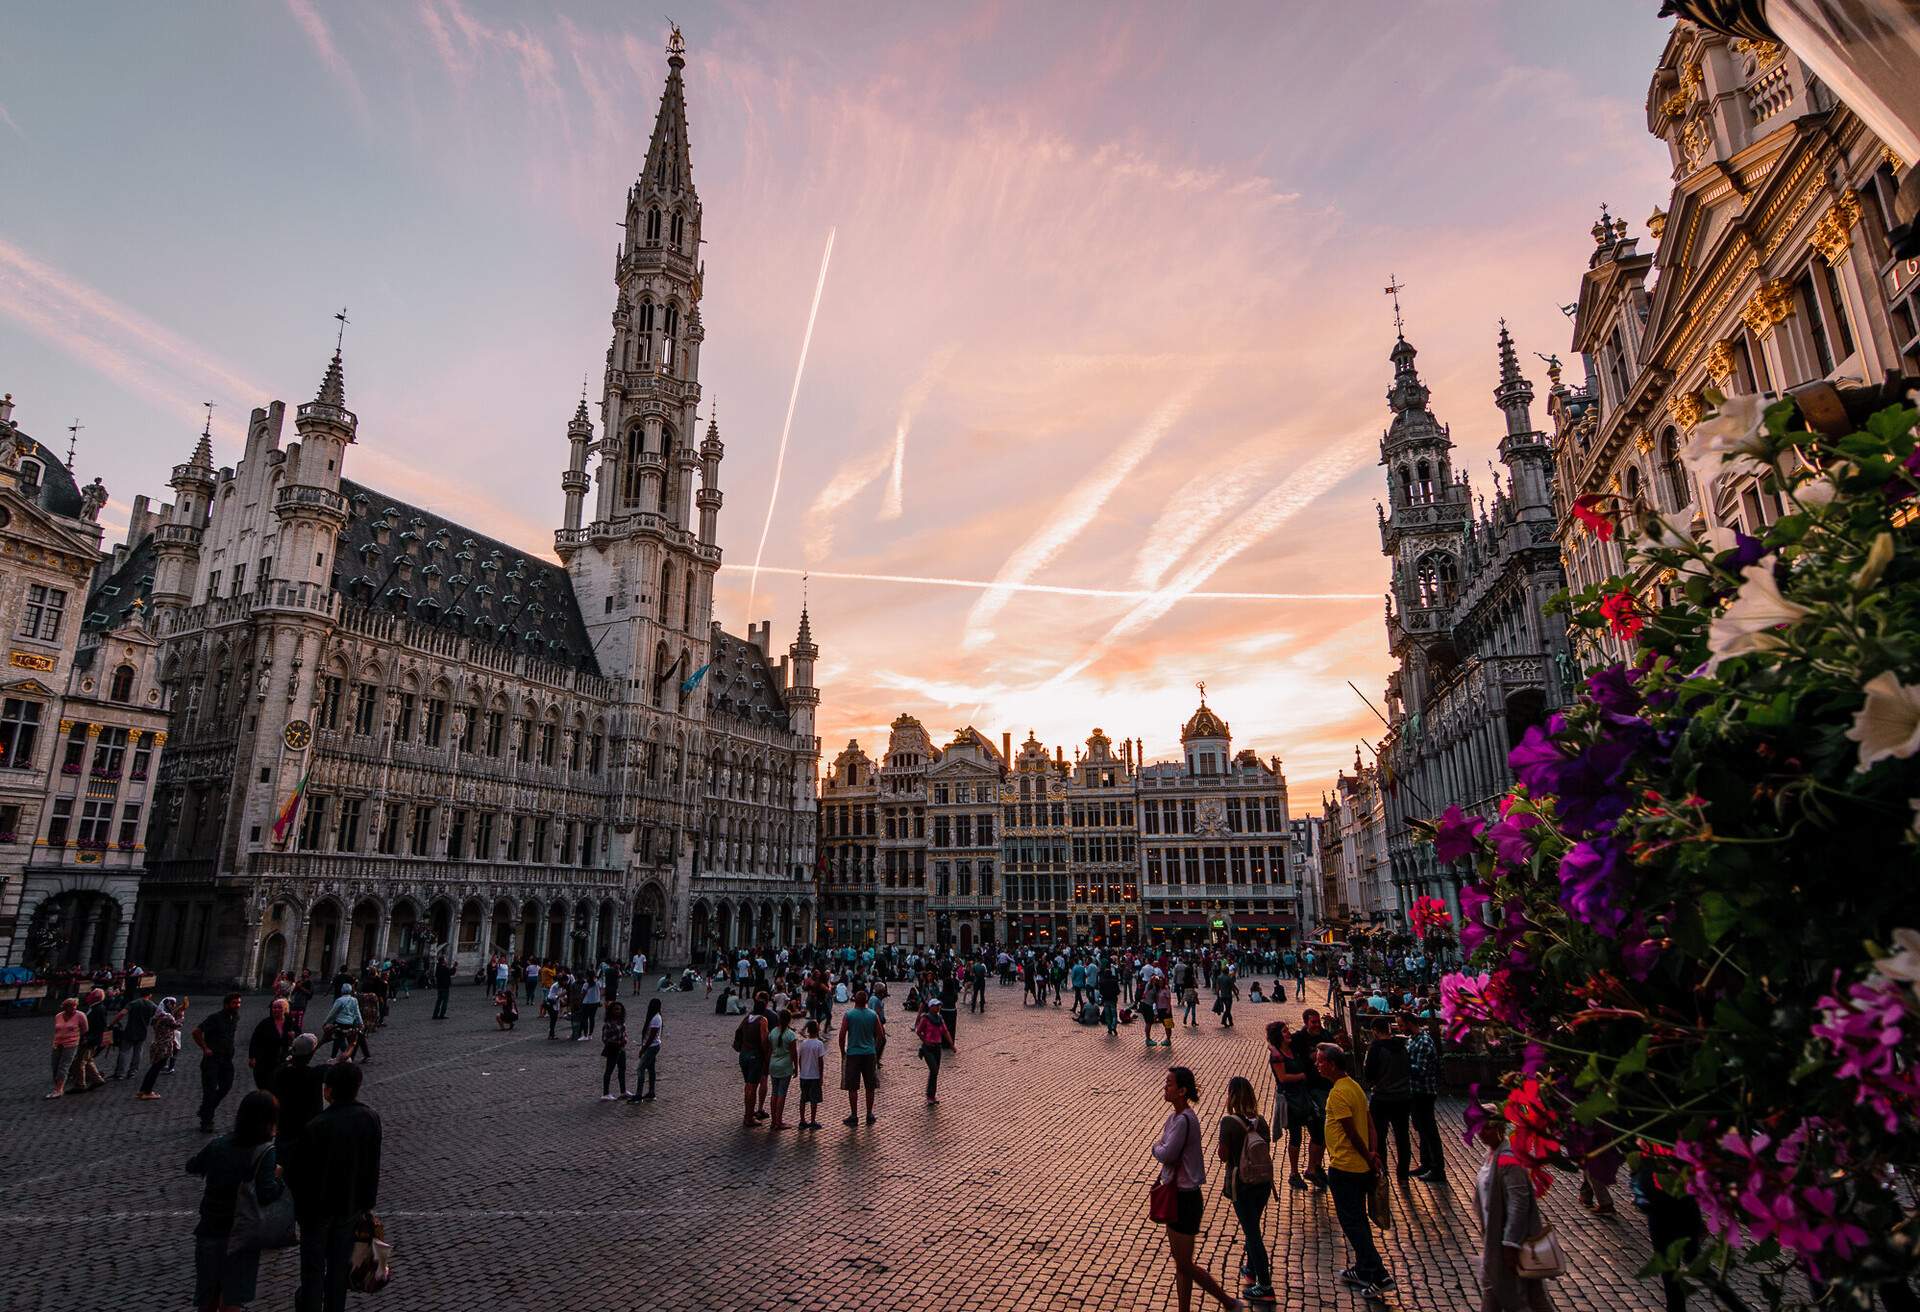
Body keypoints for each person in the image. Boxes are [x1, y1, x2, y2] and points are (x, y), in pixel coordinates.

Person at [1152, 1066, 1242, 1312]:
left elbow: (1166, 1152)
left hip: (1185, 1198)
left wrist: (1155, 1147)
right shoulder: (1175, 1118)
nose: (1165, 1087)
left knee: (1185, 1263)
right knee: (1181, 1264)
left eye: (1169, 1084)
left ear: (1182, 1091)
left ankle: (1227, 1301)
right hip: (1178, 1195)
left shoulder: (1183, 1120)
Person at [186, 1089, 284, 1312]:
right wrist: (278, 1177)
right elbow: (267, 1193)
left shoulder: (219, 1144)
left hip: (210, 1227)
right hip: (242, 1232)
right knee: (232, 1298)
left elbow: (193, 1165)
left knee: (208, 1295)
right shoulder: (264, 1152)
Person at [296, 1061, 382, 1312]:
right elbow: (372, 1165)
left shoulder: (317, 1126)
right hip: (350, 1206)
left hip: (317, 1210)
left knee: (312, 1271)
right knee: (337, 1269)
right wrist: (367, 1204)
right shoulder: (369, 1118)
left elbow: (302, 1174)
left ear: (328, 1091)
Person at [1317, 1043, 1392, 1295]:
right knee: (1358, 1219)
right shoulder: (1355, 1087)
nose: (1317, 1065)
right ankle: (1362, 1269)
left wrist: (1368, 1155)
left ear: (1332, 1064)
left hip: (1346, 1166)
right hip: (1360, 1166)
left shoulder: (1338, 1094)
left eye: (1320, 1061)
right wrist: (1374, 1152)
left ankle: (1378, 1274)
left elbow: (1351, 1133)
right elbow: (1370, 1125)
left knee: (1353, 1223)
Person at [1474, 1104, 1558, 1311]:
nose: (1480, 1133)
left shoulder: (1507, 1159)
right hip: (1495, 1243)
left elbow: (1518, 1204)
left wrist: (1510, 1243)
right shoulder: (1492, 1155)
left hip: (1507, 1245)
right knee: (1527, 1297)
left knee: (1516, 1298)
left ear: (1498, 1128)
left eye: (1486, 1128)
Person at [1217, 1075, 1274, 1302]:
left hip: (1240, 1183)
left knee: (1252, 1232)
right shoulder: (1260, 1120)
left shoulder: (1229, 1122)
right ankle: (1250, 1269)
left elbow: (1223, 1155)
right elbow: (1266, 1144)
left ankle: (1265, 1285)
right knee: (1253, 1224)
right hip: (1262, 1183)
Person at [1364, 1015, 1414, 1177]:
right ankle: (1403, 1171)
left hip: (1382, 1097)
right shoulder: (1402, 1046)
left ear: (1375, 1031)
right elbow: (1408, 1068)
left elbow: (1369, 1074)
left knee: (1378, 1135)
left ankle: (1382, 1168)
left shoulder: (1376, 1048)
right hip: (1402, 1097)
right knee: (1402, 1135)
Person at [193, 993, 244, 1131]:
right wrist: (205, 1048)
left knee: (226, 1086)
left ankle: (205, 1109)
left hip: (227, 1059)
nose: (237, 1005)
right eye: (235, 1003)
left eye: (239, 1003)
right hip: (212, 1060)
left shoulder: (235, 1017)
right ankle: (207, 1121)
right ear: (226, 1004)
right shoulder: (215, 1018)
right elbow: (196, 1032)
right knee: (209, 1091)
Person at [1405, 1013, 1445, 1182]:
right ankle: (1426, 1163)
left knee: (1429, 1129)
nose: (1399, 1028)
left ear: (1409, 1023)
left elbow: (1420, 1069)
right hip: (1414, 1090)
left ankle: (1437, 1168)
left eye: (1401, 1024)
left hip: (1424, 1091)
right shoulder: (1412, 1039)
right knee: (1420, 1127)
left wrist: (1403, 1065)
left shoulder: (1424, 1041)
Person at [838, 987, 884, 1127]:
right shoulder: (872, 1015)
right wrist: (874, 1048)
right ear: (866, 1001)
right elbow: (881, 1035)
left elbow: (841, 1035)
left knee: (852, 1087)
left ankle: (854, 1115)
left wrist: (842, 1051)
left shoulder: (849, 1015)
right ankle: (869, 1114)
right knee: (870, 1086)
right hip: (869, 1053)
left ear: (855, 1001)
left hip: (853, 1053)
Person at [137, 996, 184, 1100]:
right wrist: (182, 1016)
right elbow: (178, 1025)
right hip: (165, 1045)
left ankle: (142, 1090)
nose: (174, 1006)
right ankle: (147, 1091)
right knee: (156, 1069)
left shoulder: (158, 1016)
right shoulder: (167, 1017)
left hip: (157, 1043)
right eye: (173, 1004)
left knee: (153, 1068)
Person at [736, 992, 771, 1127]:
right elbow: (763, 1040)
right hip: (755, 1056)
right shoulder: (762, 1020)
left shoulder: (746, 1019)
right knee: (753, 1087)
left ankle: (747, 1114)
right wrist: (766, 1054)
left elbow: (739, 1033)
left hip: (743, 1054)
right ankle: (749, 1117)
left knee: (747, 1087)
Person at [113, 986, 158, 1081]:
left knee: (124, 1052)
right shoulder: (152, 1005)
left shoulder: (133, 1003)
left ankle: (120, 1073)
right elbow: (159, 1016)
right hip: (142, 1031)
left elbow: (122, 1013)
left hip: (130, 1030)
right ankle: (132, 1072)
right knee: (138, 1052)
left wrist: (112, 1023)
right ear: (150, 995)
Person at [247, 997, 293, 1090]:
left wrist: (293, 1036)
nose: (276, 1010)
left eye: (279, 1007)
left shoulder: (290, 1023)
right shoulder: (265, 1023)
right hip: (265, 1059)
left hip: (282, 1059)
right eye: (274, 1007)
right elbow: (255, 1040)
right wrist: (252, 1057)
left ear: (285, 1009)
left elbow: (298, 1037)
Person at [914, 997, 953, 1104]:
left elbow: (945, 1032)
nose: (938, 1008)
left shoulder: (940, 1019)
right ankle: (929, 1094)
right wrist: (925, 1041)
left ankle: (932, 1095)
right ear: (931, 1007)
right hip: (928, 1048)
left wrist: (951, 1045)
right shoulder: (926, 1019)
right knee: (934, 1069)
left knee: (935, 1073)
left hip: (937, 1047)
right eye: (936, 1006)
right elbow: (919, 1031)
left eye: (939, 1006)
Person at [46, 995, 86, 1099]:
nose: (74, 1008)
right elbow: (57, 1029)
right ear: (65, 1007)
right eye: (72, 1006)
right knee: (54, 1065)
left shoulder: (80, 1015)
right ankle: (57, 1086)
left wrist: (76, 1038)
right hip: (57, 1043)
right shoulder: (58, 1016)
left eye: (75, 1006)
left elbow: (85, 1029)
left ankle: (59, 1089)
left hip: (71, 1044)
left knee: (63, 1067)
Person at [766, 1007, 800, 1129]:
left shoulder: (773, 1032)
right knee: (782, 1094)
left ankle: (773, 1120)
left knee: (774, 1093)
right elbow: (794, 1053)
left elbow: (769, 1050)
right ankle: (779, 1121)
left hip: (773, 1064)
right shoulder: (790, 1035)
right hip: (785, 1066)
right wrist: (796, 1067)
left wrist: (767, 1064)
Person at [322, 984, 369, 1063]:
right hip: (350, 1023)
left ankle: (341, 1057)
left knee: (338, 1040)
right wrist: (360, 1023)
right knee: (347, 1040)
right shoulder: (354, 1000)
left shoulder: (339, 1000)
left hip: (340, 1023)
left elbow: (333, 1013)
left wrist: (326, 1022)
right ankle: (343, 1056)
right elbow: (357, 1012)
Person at [627, 997, 662, 1102]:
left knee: (640, 1069)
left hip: (652, 1047)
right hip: (653, 1046)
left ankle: (639, 1094)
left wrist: (643, 1049)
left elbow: (651, 1037)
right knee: (651, 1069)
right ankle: (651, 1092)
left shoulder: (655, 1018)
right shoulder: (656, 1017)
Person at [795, 1019, 826, 1128]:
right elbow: (820, 1062)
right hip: (814, 1075)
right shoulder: (819, 1044)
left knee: (803, 1098)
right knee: (814, 1099)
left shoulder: (803, 1043)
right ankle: (813, 1120)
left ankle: (802, 1120)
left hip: (804, 1075)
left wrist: (801, 1070)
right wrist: (821, 1076)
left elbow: (799, 1059)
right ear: (817, 1030)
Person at [600, 999, 629, 1100]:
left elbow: (624, 1034)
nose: (618, 1011)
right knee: (609, 1070)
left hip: (621, 1049)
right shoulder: (608, 1024)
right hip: (613, 1049)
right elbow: (604, 1039)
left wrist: (625, 1040)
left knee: (622, 1069)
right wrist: (616, 1042)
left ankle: (623, 1091)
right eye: (616, 1009)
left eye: (619, 1009)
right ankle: (605, 1093)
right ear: (611, 1011)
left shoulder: (621, 1022)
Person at [431, 955, 454, 1020]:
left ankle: (435, 1015)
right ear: (443, 961)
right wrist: (454, 967)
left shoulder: (438, 967)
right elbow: (451, 972)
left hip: (439, 986)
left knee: (438, 1001)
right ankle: (442, 1014)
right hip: (445, 987)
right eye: (445, 959)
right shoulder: (444, 968)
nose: (446, 960)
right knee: (445, 1001)